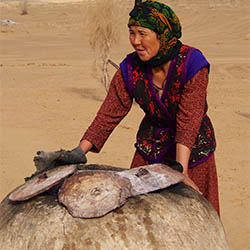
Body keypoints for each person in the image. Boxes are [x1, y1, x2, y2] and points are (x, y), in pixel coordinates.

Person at [72, 0, 219, 215]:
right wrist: (78, 152)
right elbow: (109, 113)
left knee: (194, 217)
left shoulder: (192, 64)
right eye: (131, 33)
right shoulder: (130, 68)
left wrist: (182, 171)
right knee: (139, 218)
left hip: (192, 153)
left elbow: (189, 120)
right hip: (151, 149)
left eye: (142, 33)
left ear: (163, 34)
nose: (135, 41)